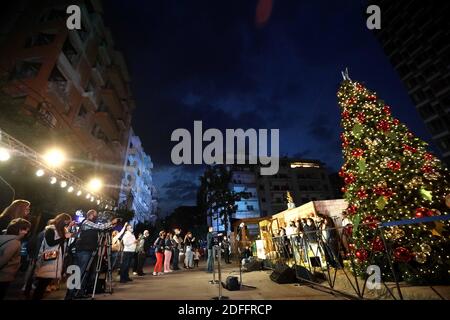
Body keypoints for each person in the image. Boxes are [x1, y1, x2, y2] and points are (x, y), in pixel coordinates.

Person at [65, 209, 118, 299]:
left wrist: (111, 225)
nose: (96, 217)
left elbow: (101, 228)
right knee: (78, 272)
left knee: (85, 272)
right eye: (95, 215)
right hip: (83, 251)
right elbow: (100, 227)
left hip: (87, 250)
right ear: (91, 215)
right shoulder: (86, 222)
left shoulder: (91, 225)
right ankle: (70, 295)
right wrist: (111, 222)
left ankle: (80, 293)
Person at [33, 213, 73, 300]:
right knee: (42, 282)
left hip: (56, 258)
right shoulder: (50, 229)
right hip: (49, 257)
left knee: (45, 282)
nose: (66, 224)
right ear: (61, 221)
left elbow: (62, 244)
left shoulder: (61, 230)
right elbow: (51, 242)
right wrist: (64, 237)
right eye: (65, 222)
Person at [0, 218, 31, 299]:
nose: (26, 233)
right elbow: (3, 260)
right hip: (4, 276)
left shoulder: (3, 237)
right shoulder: (15, 243)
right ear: (20, 230)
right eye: (26, 230)